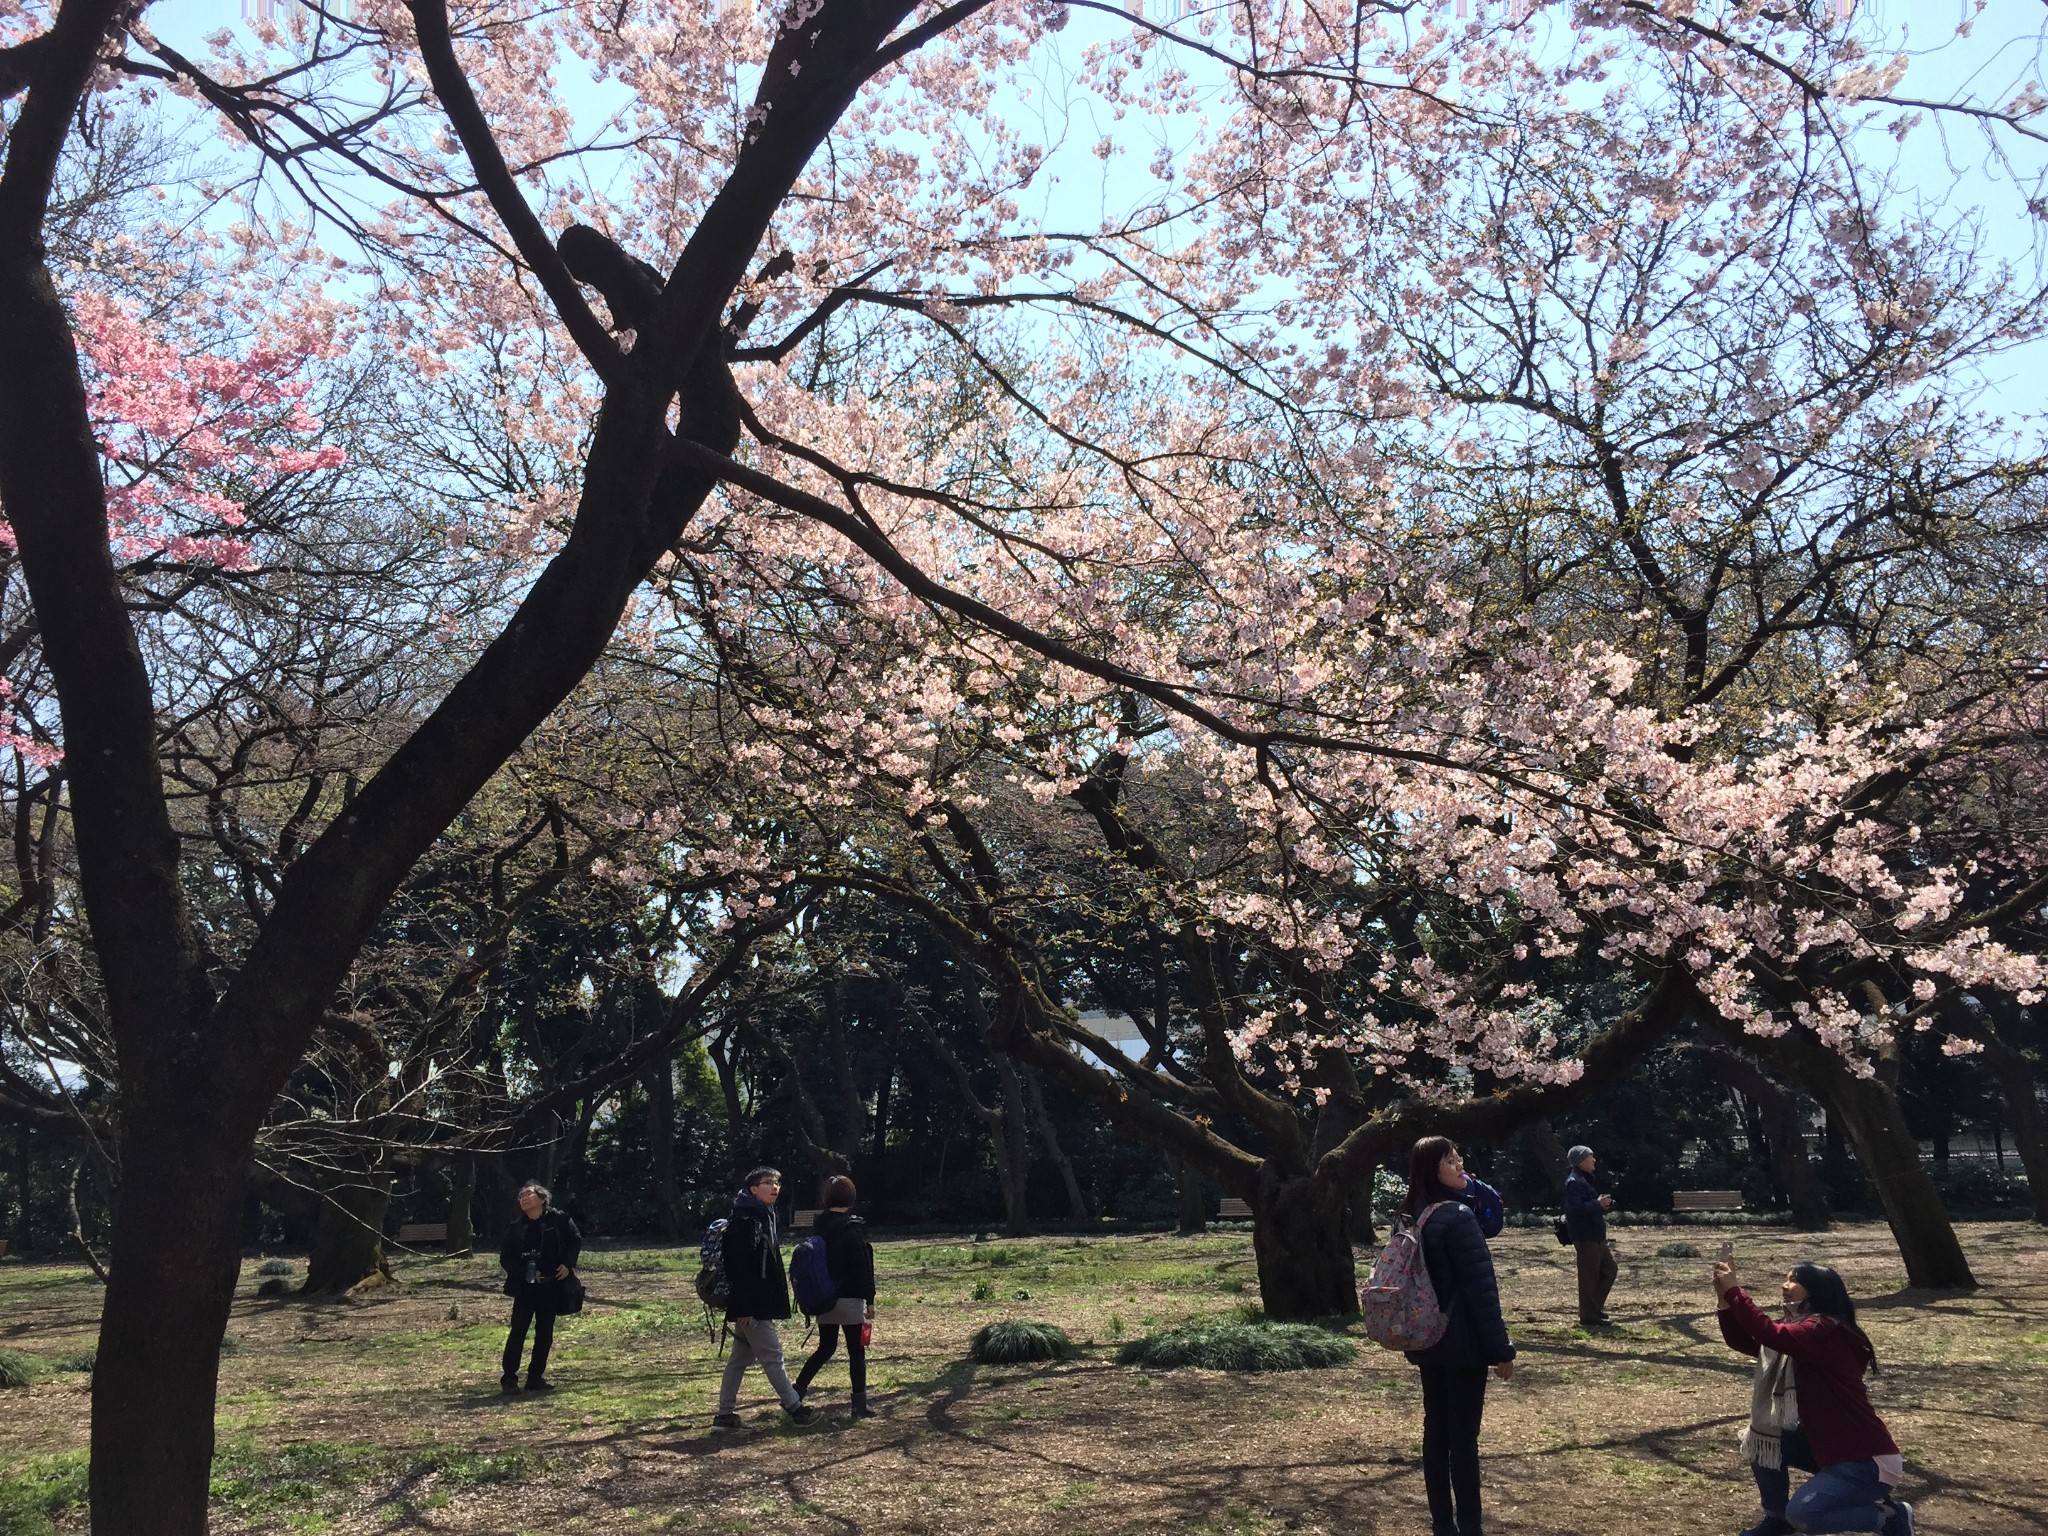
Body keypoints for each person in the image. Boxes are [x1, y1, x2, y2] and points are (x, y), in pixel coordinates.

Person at [1714, 1257, 1914, 1536]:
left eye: (1794, 1280)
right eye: (1785, 1278)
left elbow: (1767, 1333)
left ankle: (1889, 1517)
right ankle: (1776, 1521)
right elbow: (1747, 1341)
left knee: (1805, 1516)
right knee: (1761, 1438)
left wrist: (1736, 1292)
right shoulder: (1805, 1330)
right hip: (1829, 1448)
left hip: (1866, 1461)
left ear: (1817, 1290)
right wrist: (1724, 1300)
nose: (1785, 1285)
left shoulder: (1825, 1330)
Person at [1402, 1136, 1516, 1536]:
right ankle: (1470, 1526)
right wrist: (1501, 1349)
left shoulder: (1414, 1214)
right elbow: (1480, 1290)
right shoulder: (1459, 1218)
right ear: (1435, 1169)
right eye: (1452, 1160)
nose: (1460, 1165)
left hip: (1427, 1337)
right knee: (1463, 1441)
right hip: (1463, 1342)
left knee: (1436, 1433)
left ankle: (1442, 1525)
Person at [713, 1166, 819, 1428]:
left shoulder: (762, 1216)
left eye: (777, 1183)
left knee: (738, 1360)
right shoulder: (746, 1221)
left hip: (751, 1304)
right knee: (773, 1356)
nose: (775, 1187)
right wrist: (744, 1308)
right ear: (753, 1189)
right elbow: (741, 1269)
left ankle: (724, 1416)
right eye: (768, 1183)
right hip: (751, 1305)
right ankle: (796, 1410)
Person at [792, 1174, 879, 1418]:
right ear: (851, 1198)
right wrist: (870, 1300)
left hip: (824, 1299)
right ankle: (859, 1405)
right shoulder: (853, 1230)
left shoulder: (819, 1228)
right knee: (856, 1351)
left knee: (825, 1347)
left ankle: (795, 1392)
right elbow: (863, 1269)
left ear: (825, 1199)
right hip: (850, 1299)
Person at [498, 1180, 580, 1394]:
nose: (523, 1199)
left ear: (542, 1199)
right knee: (518, 1331)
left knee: (545, 1332)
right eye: (521, 1196)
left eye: (528, 1194)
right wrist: (525, 1272)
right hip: (525, 1288)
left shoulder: (560, 1220)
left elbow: (575, 1241)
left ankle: (535, 1378)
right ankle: (509, 1379)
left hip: (552, 1286)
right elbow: (505, 1258)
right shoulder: (516, 1227)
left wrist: (568, 1266)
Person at [1562, 1144, 1617, 1326]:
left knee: (1609, 1270)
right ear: (1580, 1162)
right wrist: (1597, 1204)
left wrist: (1600, 1204)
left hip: (1596, 1235)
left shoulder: (1583, 1180)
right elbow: (1575, 1210)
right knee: (1589, 1277)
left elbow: (1587, 1205)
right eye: (1589, 1157)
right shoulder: (1574, 1182)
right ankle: (1588, 1316)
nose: (1594, 1160)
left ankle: (1593, 1308)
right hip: (1585, 1237)